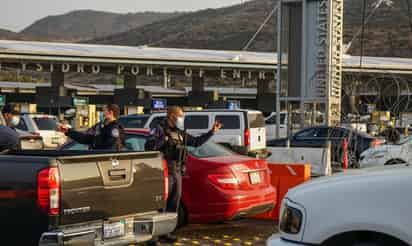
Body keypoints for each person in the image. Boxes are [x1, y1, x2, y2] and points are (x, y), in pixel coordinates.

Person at [145, 106, 222, 243]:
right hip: (164, 170)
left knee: (173, 204)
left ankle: (166, 233)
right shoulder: (159, 129)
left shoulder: (180, 132)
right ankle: (153, 237)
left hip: (177, 170)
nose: (182, 119)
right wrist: (163, 141)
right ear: (172, 116)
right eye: (180, 116)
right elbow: (149, 146)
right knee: (161, 204)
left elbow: (196, 142)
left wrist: (212, 132)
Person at [57, 104, 125, 150]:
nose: (102, 113)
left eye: (104, 111)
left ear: (110, 112)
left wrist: (94, 144)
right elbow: (86, 138)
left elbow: (109, 146)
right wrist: (68, 131)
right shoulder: (102, 127)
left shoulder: (115, 128)